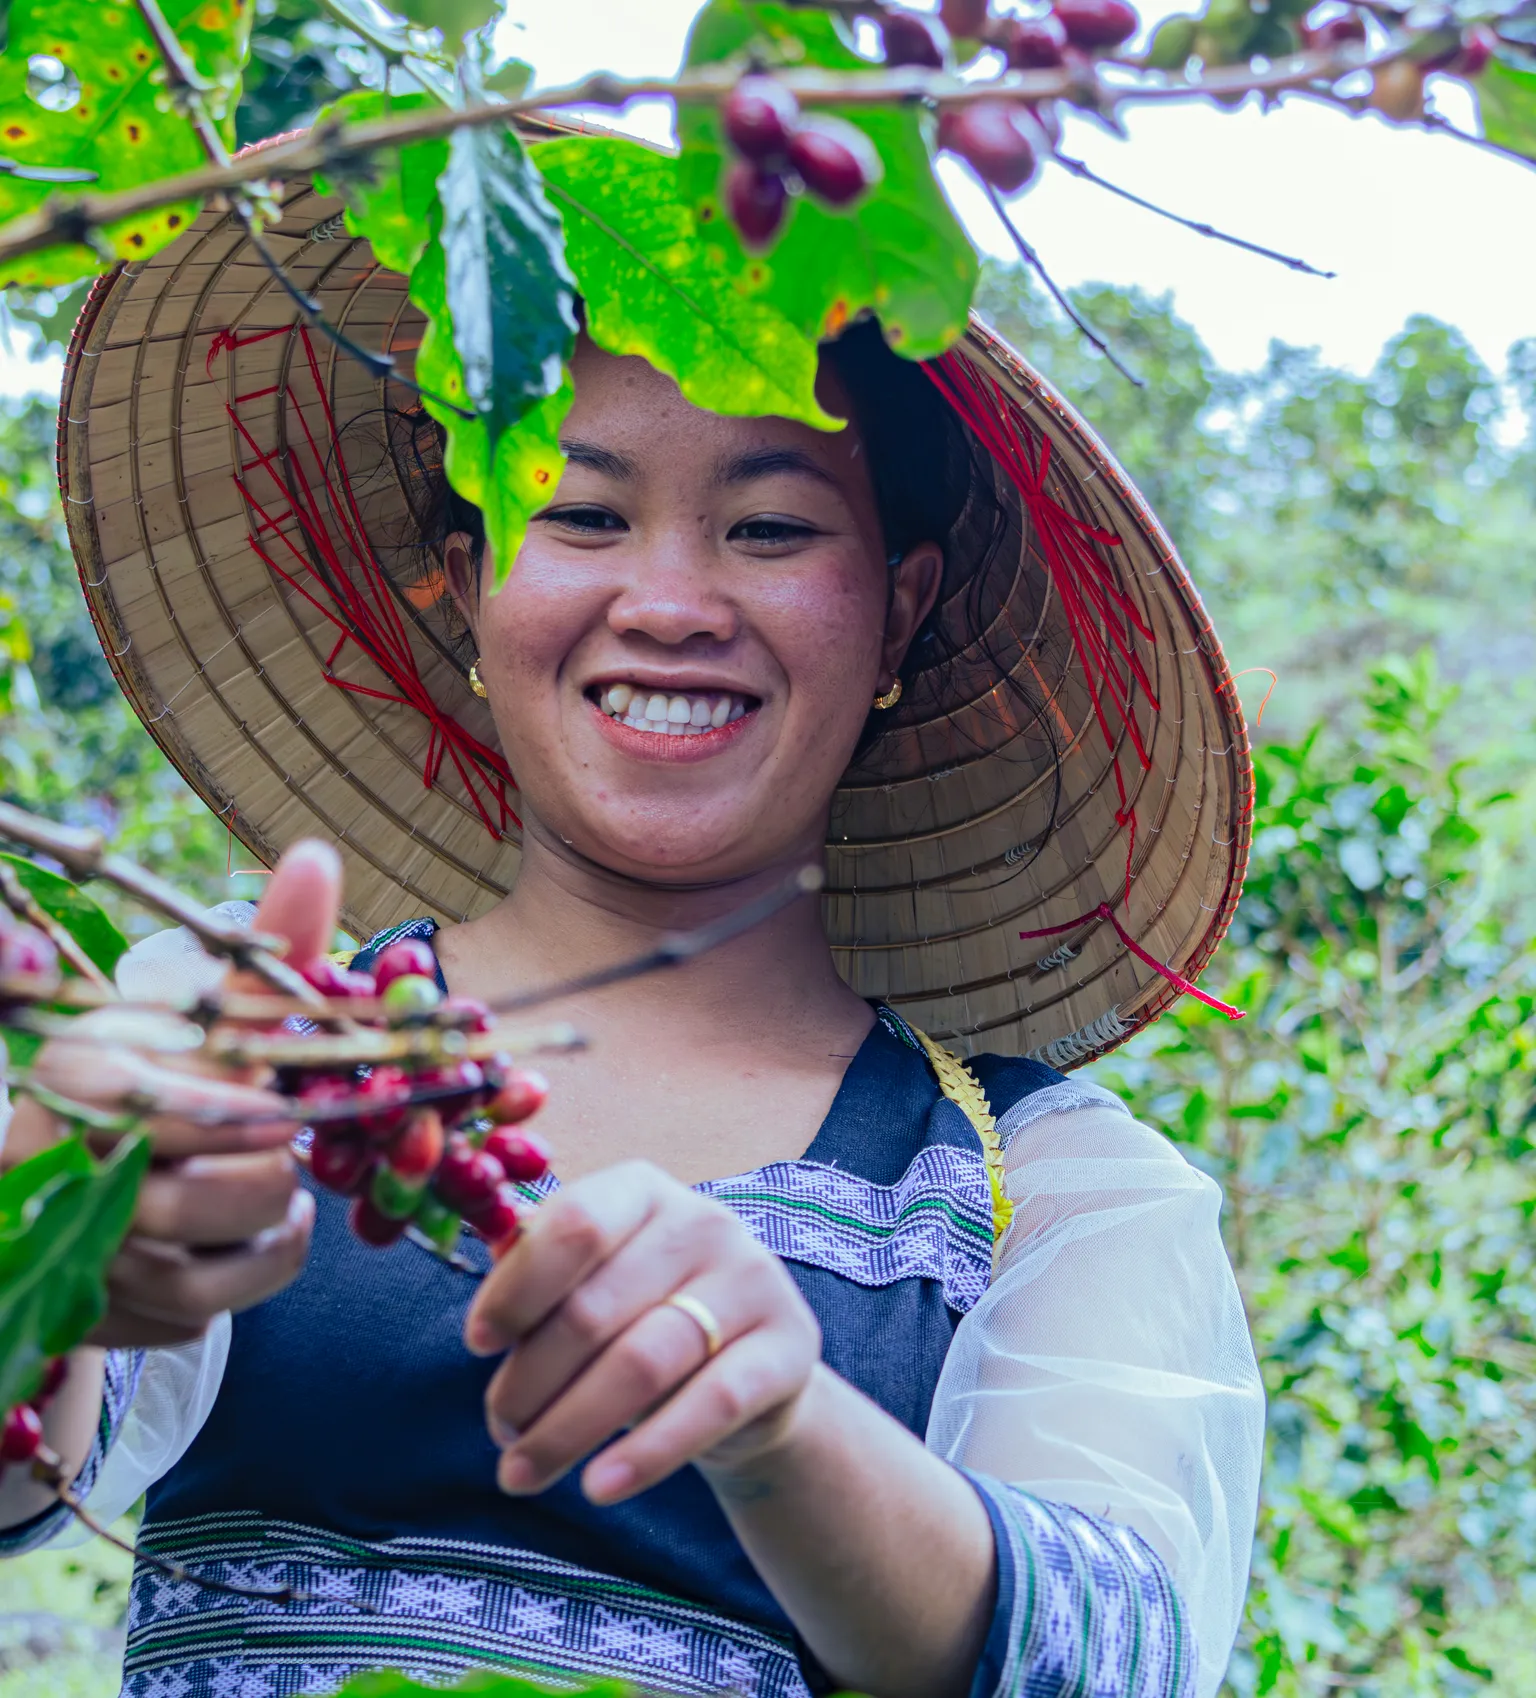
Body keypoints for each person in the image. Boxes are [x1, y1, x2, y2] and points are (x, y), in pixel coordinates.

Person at [0, 143, 1265, 1698]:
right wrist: (52, 1237)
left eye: (773, 528)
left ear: (904, 606)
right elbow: (30, 1448)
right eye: (579, 515)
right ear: (463, 582)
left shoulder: (1053, 1191)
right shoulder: (246, 1033)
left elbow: (1113, 1651)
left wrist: (781, 1419)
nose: (669, 600)